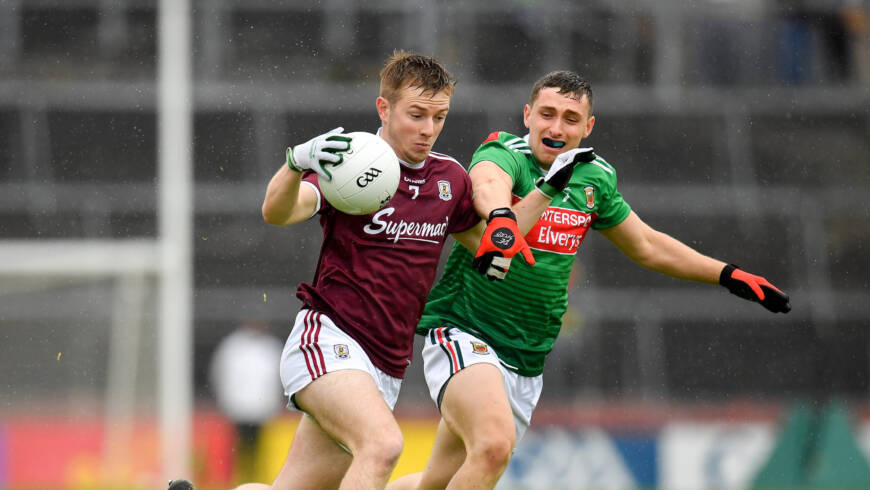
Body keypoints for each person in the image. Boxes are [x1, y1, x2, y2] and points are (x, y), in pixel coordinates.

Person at [388, 70, 791, 490]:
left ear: (588, 127)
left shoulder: (594, 176)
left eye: (570, 118)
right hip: (466, 334)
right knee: (492, 447)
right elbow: (488, 185)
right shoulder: (503, 151)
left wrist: (727, 274)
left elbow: (647, 245)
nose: (556, 127)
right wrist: (502, 217)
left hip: (527, 357)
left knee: (434, 483)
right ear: (527, 115)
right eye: (546, 114)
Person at [223, 51, 490, 490]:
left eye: (439, 116)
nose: (428, 129)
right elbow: (278, 211)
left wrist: (535, 198)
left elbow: (493, 246)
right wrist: (295, 165)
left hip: (386, 364)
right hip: (330, 339)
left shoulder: (451, 179)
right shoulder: (354, 160)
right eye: (416, 114)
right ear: (384, 108)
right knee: (383, 445)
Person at [209, 320, 284, 484]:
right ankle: (240, 478)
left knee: (257, 447)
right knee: (238, 447)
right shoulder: (233, 346)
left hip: (261, 408)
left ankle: (254, 478)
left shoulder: (269, 347)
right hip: (238, 407)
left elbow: (278, 377)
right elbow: (220, 374)